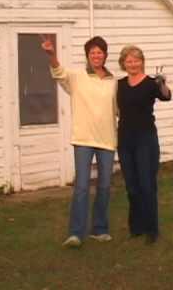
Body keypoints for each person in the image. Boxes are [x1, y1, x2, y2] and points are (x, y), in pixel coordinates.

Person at [41, 35, 117, 248]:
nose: (96, 56)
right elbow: (59, 72)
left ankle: (100, 229)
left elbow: (119, 108)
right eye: (92, 52)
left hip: (107, 139)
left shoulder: (113, 81)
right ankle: (75, 233)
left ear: (105, 55)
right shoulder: (77, 76)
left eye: (100, 52)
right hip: (83, 139)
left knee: (104, 186)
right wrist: (52, 55)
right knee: (82, 186)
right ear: (87, 56)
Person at [116, 45, 171, 244]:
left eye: (136, 60)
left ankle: (152, 229)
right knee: (131, 186)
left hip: (145, 140)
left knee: (147, 185)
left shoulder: (151, 83)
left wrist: (162, 83)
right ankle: (136, 228)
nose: (132, 64)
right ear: (123, 64)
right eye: (129, 61)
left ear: (142, 61)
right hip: (124, 141)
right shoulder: (119, 84)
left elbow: (166, 96)